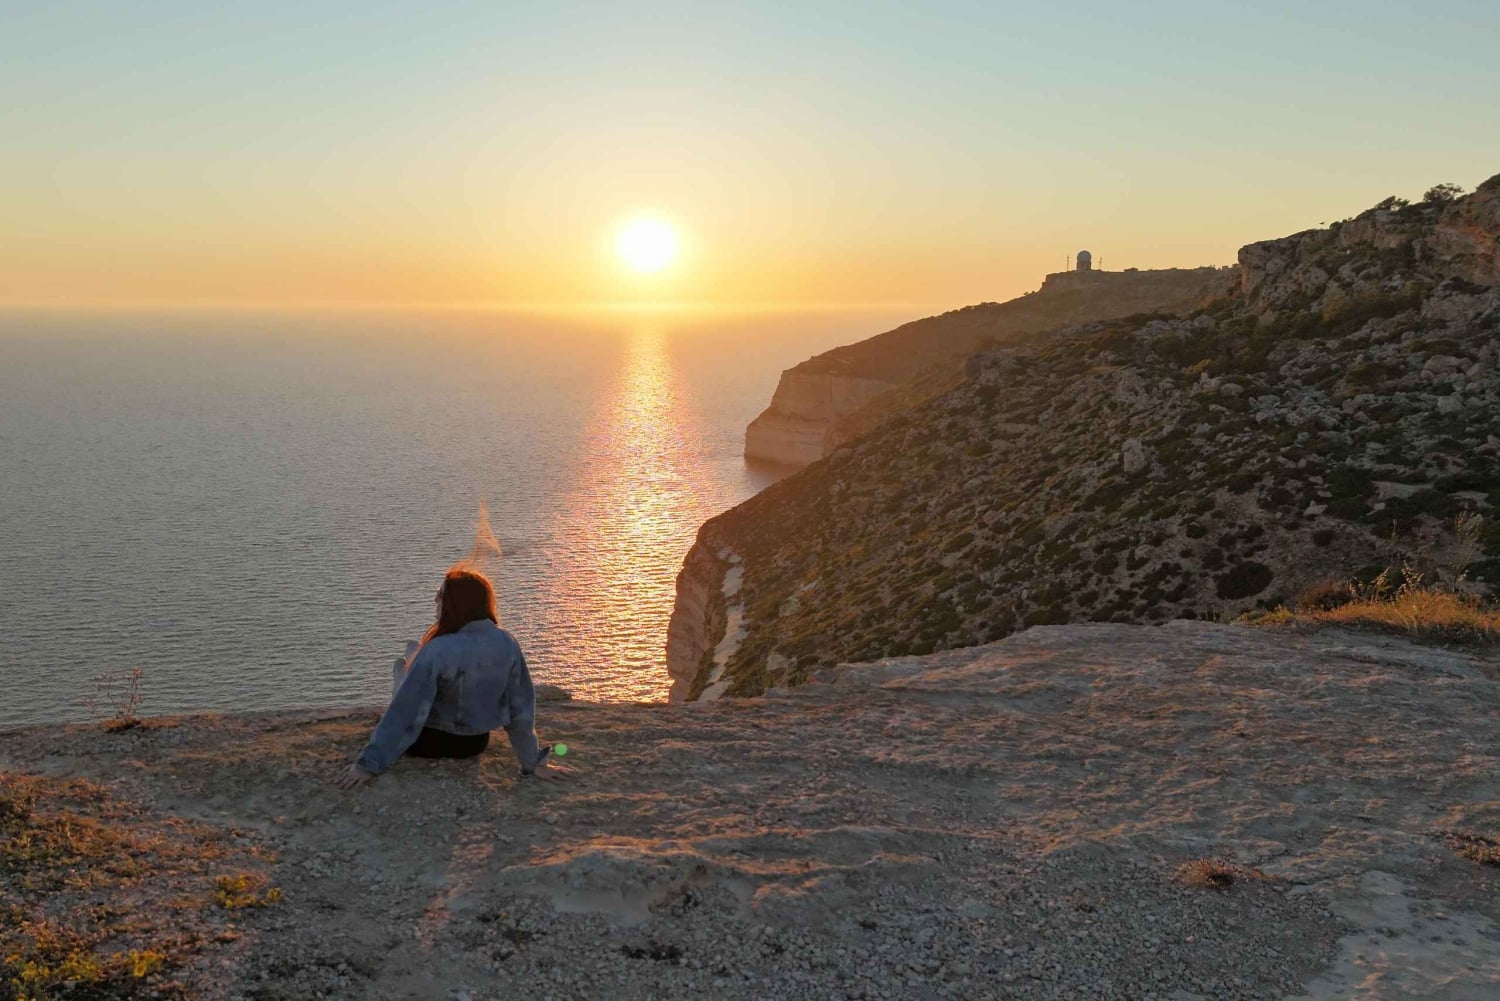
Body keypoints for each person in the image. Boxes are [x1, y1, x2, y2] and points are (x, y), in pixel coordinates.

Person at [336, 568, 572, 788]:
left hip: (427, 744)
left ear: (454, 604)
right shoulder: (506, 642)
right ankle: (410, 661)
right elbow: (521, 708)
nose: (435, 600)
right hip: (475, 743)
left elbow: (405, 711)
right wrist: (532, 762)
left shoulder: (438, 649)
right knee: (414, 654)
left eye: (440, 595)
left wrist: (368, 764)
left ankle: (407, 666)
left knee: (403, 669)